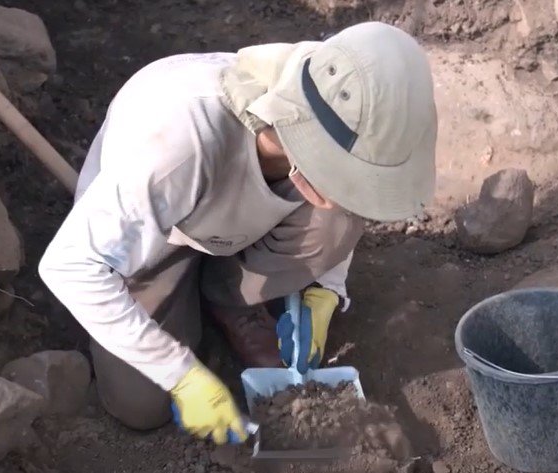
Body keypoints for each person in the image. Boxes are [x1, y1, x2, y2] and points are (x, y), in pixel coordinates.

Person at [38, 21, 438, 445]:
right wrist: (181, 376)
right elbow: (68, 267)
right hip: (158, 241)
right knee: (140, 403)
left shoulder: (335, 105)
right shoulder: (177, 144)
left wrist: (325, 290)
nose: (353, 187)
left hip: (235, 222)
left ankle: (230, 299)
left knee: (338, 217)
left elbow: (353, 197)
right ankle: (186, 292)